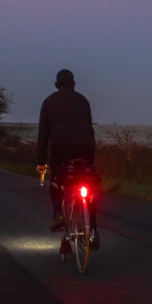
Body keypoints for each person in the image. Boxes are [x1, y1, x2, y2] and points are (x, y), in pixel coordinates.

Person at [36, 68, 99, 249]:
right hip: (86, 149)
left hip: (60, 150)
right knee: (90, 185)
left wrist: (41, 162)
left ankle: (58, 214)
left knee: (57, 182)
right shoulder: (83, 101)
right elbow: (88, 129)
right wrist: (91, 161)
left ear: (56, 85)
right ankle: (92, 228)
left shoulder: (48, 102)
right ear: (74, 84)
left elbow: (43, 136)